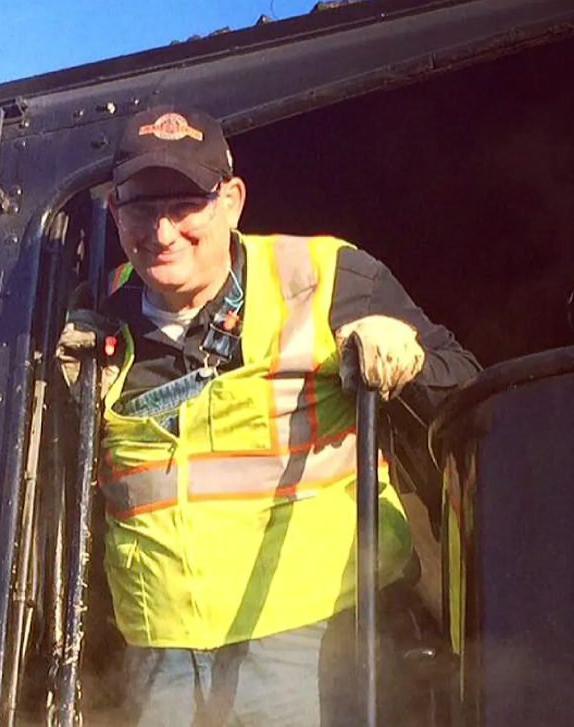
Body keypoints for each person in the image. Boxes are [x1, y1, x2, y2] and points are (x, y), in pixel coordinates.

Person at [57, 105, 479, 727]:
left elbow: (469, 389)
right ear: (115, 213)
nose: (163, 232)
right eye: (143, 208)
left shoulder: (328, 277)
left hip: (317, 649)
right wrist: (58, 400)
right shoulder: (93, 311)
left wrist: (408, 359)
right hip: (159, 666)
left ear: (231, 201)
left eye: (184, 205)